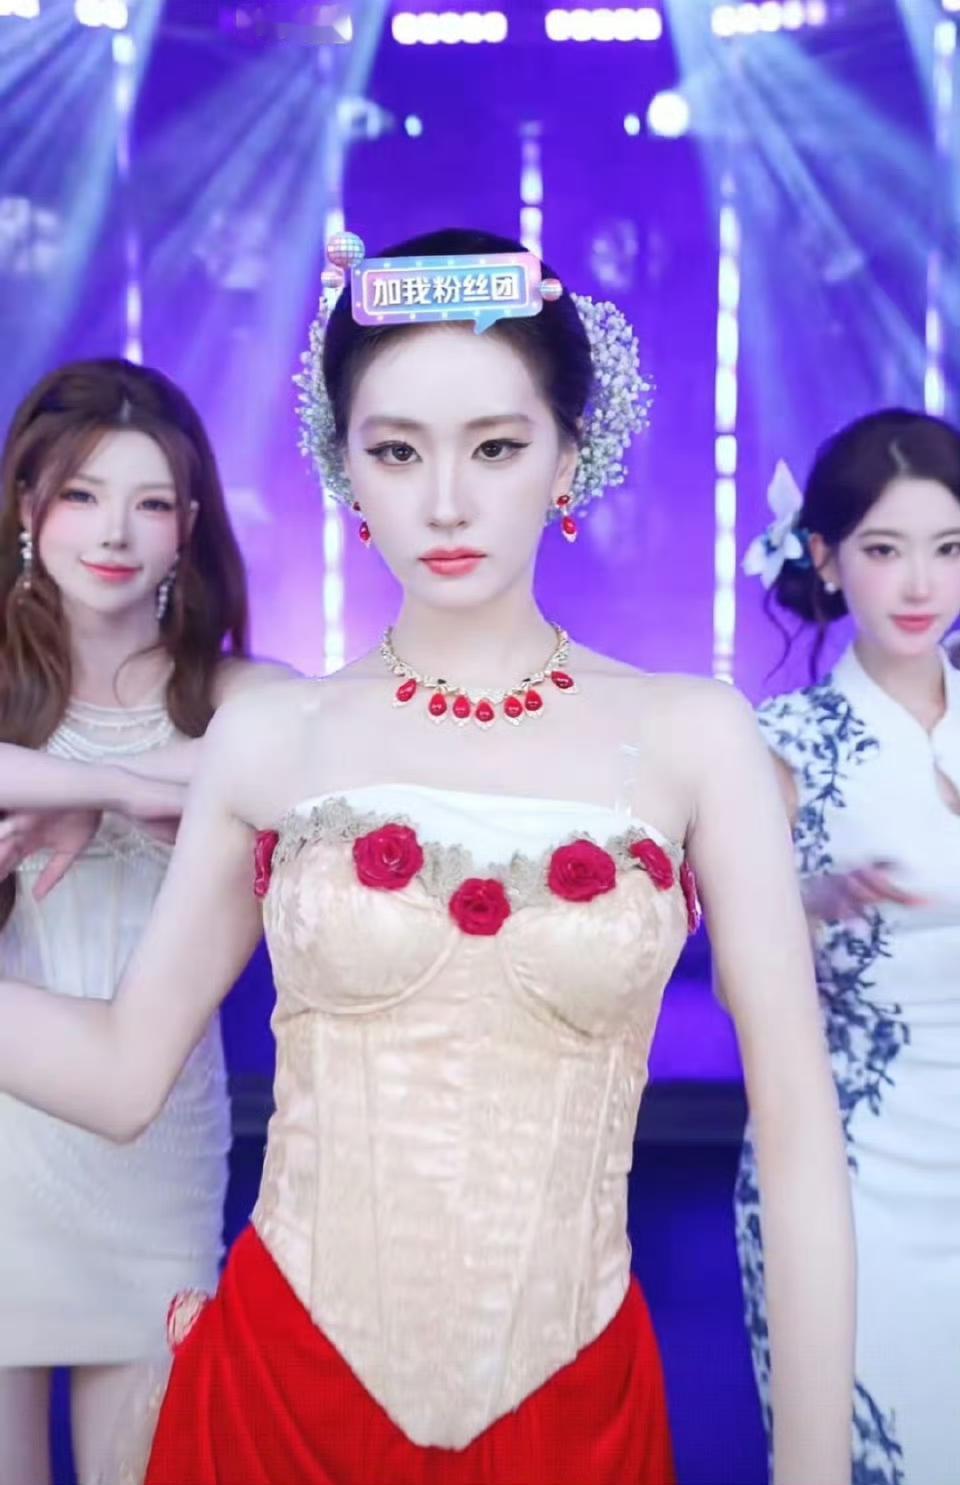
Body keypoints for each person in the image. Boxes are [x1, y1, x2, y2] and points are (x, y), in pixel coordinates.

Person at [0, 233, 853, 1485]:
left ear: (569, 456)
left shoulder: (693, 734)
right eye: (397, 451)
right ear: (344, 467)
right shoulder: (274, 734)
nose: (445, 501)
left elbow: (798, 1133)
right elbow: (127, 1071)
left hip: (576, 1407)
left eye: (495, 448)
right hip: (280, 1400)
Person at [0, 357, 295, 1485]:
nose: (114, 532)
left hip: (154, 1151)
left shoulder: (243, 698)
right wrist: (111, 789)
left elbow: (313, 769)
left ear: (190, 528)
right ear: (27, 507)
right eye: (81, 494)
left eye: (151, 502)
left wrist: (101, 789)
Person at [735, 411, 960, 1485]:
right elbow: (730, 979)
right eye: (883, 548)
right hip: (853, 1173)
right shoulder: (782, 746)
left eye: (947, 548)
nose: (920, 583)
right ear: (824, 558)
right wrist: (805, 905)